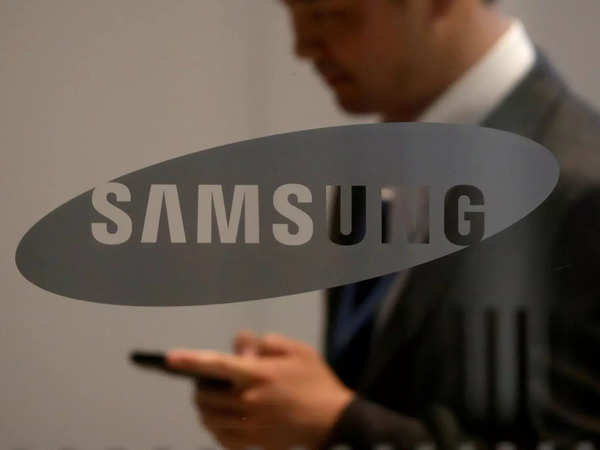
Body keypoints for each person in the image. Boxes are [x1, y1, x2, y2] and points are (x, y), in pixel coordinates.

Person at [166, 0, 600, 448]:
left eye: (331, 14)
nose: (302, 47)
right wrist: (295, 412)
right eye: (292, 12)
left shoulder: (582, 190)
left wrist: (339, 423)